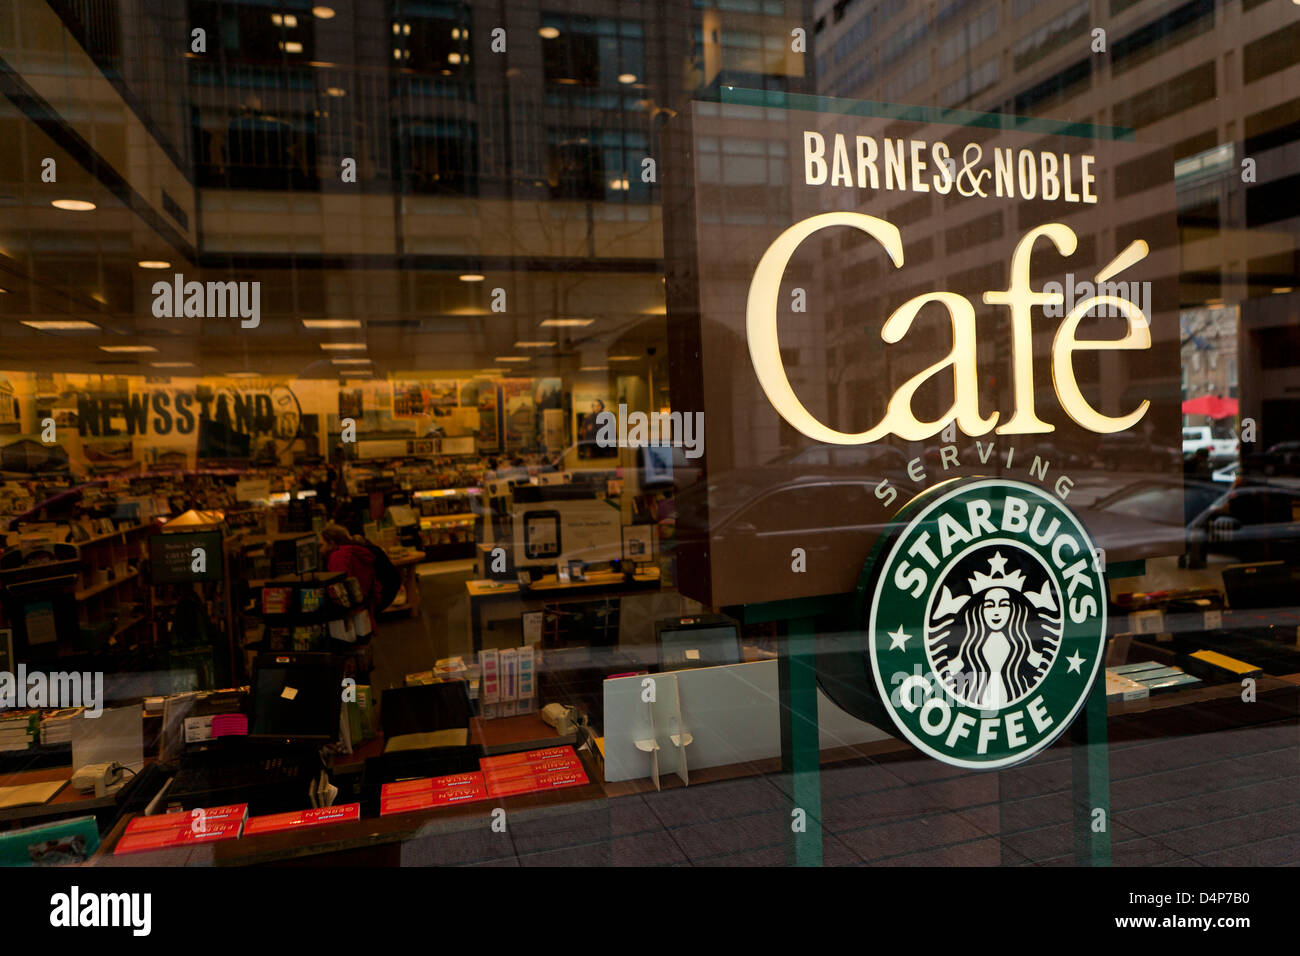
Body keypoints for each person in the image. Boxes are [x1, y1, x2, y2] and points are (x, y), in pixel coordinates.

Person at [320, 524, 382, 637]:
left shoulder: (338, 557)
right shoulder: (357, 551)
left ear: (331, 543)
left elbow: (337, 585)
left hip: (351, 613)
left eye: (322, 544)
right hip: (365, 605)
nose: (320, 549)